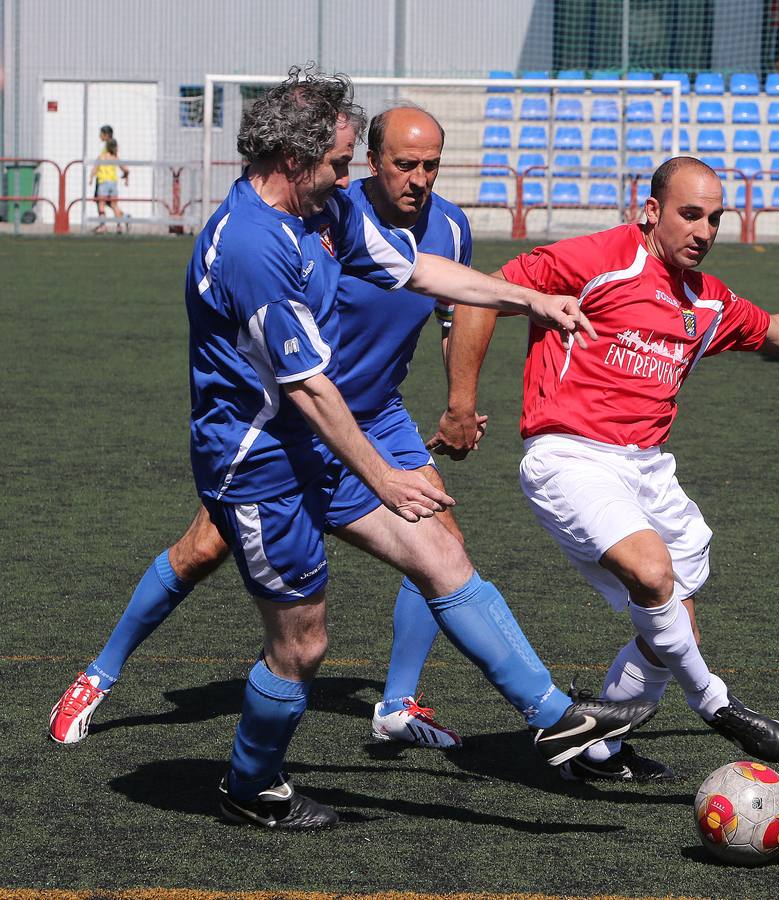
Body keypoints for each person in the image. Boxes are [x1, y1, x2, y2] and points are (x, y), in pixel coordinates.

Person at [52, 68, 656, 829]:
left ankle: (552, 717)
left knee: (440, 553)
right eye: (341, 162)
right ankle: (250, 786)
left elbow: (416, 269)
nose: (352, 175)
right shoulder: (250, 248)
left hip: (318, 442)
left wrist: (531, 298)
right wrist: (385, 476)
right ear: (294, 158)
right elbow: (309, 391)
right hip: (260, 467)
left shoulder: (326, 210)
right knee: (302, 646)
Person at [437, 157, 779, 781]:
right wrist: (461, 406)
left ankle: (597, 752)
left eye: (715, 218)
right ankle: (713, 700)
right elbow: (479, 294)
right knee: (652, 574)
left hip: (648, 469)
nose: (704, 230)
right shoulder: (599, 259)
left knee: (670, 625)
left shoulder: (706, 300)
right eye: (691, 214)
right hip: (571, 454)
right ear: (652, 211)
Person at [49, 102, 485, 751]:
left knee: (439, 541)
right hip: (296, 414)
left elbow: (462, 309)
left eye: (431, 164)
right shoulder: (331, 221)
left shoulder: (450, 228)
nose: (420, 177)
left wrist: (459, 401)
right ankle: (98, 673)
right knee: (202, 549)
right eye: (405, 163)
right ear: (371, 163)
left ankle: (397, 703)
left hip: (381, 414)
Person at [91, 125, 129, 234]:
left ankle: (104, 225)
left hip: (103, 180)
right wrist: (126, 174)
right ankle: (120, 223)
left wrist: (92, 175)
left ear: (106, 135)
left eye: (101, 134)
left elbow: (98, 163)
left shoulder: (106, 150)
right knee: (112, 204)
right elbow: (121, 164)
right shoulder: (112, 150)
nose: (99, 136)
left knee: (101, 203)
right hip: (112, 181)